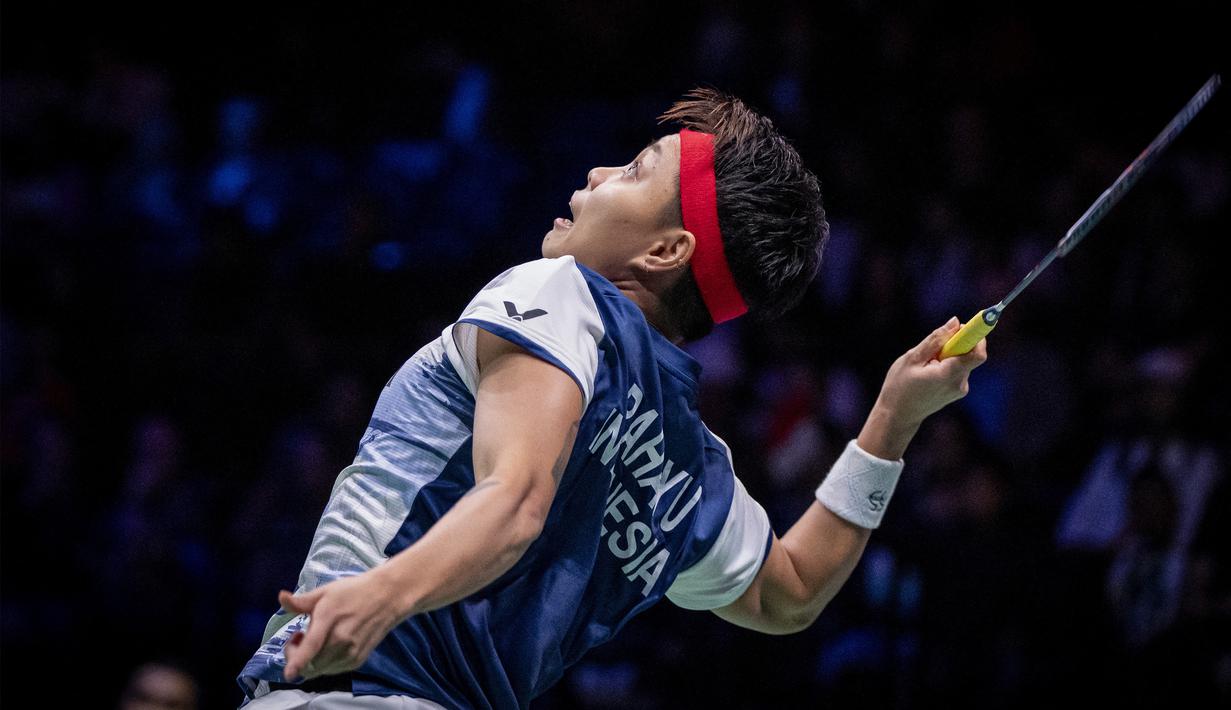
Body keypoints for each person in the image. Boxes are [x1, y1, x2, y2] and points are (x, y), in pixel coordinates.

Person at [236, 88, 988, 708]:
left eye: (631, 171)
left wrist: (382, 597)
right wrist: (892, 422)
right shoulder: (689, 460)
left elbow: (518, 498)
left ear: (664, 251)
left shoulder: (559, 294)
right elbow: (789, 592)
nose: (595, 174)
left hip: (350, 687)